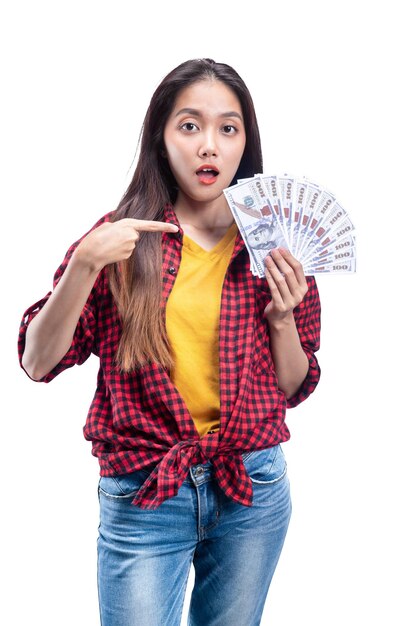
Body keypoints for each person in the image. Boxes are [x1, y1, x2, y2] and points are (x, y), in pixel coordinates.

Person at [18, 58, 321, 626]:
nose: (209, 145)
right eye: (189, 126)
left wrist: (283, 319)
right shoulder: (119, 240)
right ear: (160, 137)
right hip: (144, 490)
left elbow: (293, 386)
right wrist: (83, 266)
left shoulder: (273, 244)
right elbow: (37, 362)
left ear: (245, 143)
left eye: (228, 128)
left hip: (252, 486)